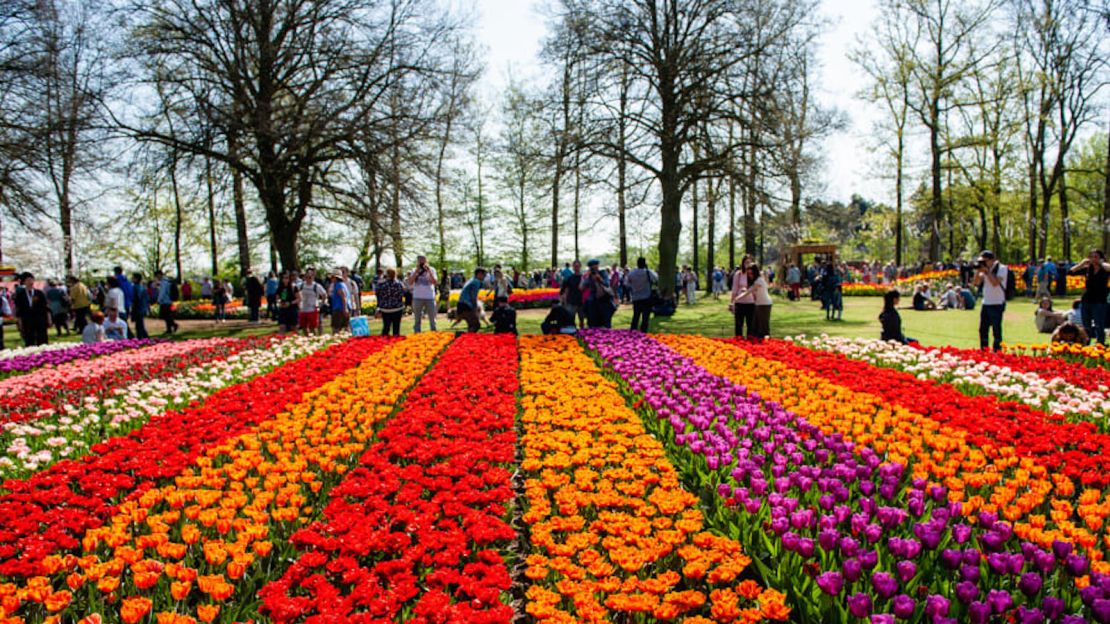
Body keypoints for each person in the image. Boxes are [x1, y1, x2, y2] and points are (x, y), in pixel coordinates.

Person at [1067, 249, 1110, 345]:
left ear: (1101, 258)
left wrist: (1101, 263)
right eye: (1092, 257)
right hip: (1086, 300)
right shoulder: (1087, 269)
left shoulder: (1104, 269)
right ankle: (1086, 342)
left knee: (1099, 324)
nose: (1093, 259)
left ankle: (1100, 343)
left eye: (1096, 257)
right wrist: (1081, 264)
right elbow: (1070, 272)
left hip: (1100, 301)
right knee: (1086, 324)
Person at [973, 250, 1008, 351]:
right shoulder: (984, 270)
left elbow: (995, 283)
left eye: (985, 261)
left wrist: (987, 272)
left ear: (992, 260)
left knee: (996, 329)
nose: (983, 263)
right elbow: (976, 283)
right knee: (983, 329)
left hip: (997, 302)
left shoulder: (1001, 268)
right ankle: (984, 349)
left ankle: (997, 350)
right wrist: (978, 271)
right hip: (986, 302)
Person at [731, 264, 772, 339]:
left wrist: (737, 298)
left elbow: (749, 291)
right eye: (748, 273)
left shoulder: (759, 280)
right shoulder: (755, 281)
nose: (750, 275)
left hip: (765, 304)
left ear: (755, 272)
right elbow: (750, 290)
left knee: (763, 325)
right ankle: (758, 341)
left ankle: (767, 341)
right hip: (758, 304)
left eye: (751, 273)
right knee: (756, 326)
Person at [15, 273, 50, 347]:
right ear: (24, 282)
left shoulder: (39, 293)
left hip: (40, 319)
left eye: (31, 280)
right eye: (28, 280)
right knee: (29, 340)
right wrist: (19, 322)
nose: (30, 282)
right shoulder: (20, 295)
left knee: (42, 340)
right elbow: (18, 310)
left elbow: (46, 307)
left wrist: (49, 318)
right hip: (27, 320)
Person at [406, 255, 438, 333]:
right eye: (420, 261)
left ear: (426, 261)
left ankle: (433, 331)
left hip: (429, 296)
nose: (422, 263)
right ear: (417, 262)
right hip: (417, 296)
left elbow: (435, 282)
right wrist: (417, 271)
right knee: (417, 317)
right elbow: (410, 282)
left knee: (432, 317)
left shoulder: (432, 270)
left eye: (423, 261)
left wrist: (429, 271)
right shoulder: (414, 270)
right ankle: (417, 332)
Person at [624, 257, 657, 333]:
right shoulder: (648, 272)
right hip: (647, 297)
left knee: (636, 315)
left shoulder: (632, 273)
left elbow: (626, 283)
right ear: (645, 263)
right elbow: (655, 279)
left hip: (636, 297)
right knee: (645, 316)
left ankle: (633, 330)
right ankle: (643, 331)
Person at [581, 259, 616, 328]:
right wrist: (587, 276)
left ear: (598, 266)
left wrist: (599, 279)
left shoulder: (603, 273)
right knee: (593, 321)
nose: (594, 269)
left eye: (595, 267)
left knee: (606, 321)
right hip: (593, 300)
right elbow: (582, 287)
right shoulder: (589, 276)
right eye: (592, 268)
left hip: (604, 299)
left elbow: (607, 284)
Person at [374, 268, 405, 336]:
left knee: (386, 327)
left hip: (385, 309)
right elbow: (403, 293)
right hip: (397, 308)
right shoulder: (399, 283)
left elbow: (377, 293)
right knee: (396, 328)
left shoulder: (381, 284)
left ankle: (384, 341)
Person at [730, 256, 755, 337]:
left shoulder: (753, 275)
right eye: (746, 262)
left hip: (750, 303)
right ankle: (739, 341)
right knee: (738, 325)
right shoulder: (738, 274)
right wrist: (732, 302)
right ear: (743, 263)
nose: (748, 264)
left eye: (749, 262)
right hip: (739, 302)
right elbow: (734, 289)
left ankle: (749, 342)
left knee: (750, 325)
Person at [297, 268, 327, 336]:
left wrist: (321, 304)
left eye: (310, 277)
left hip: (312, 309)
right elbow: (294, 292)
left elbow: (324, 294)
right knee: (303, 327)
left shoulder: (316, 286)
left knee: (312, 327)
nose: (308, 279)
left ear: (313, 277)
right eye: (306, 277)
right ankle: (307, 338)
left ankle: (314, 338)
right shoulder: (301, 285)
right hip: (303, 309)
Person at [456, 268, 486, 333]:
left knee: (471, 324)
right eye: (484, 275)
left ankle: (466, 339)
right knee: (476, 325)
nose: (484, 277)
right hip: (466, 305)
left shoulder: (471, 280)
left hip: (461, 304)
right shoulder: (476, 282)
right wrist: (474, 308)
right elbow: (473, 296)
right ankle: (461, 337)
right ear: (479, 274)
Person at [559, 260, 585, 329]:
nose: (576, 268)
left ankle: (582, 333)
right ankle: (573, 332)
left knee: (582, 319)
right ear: (573, 267)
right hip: (571, 301)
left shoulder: (583, 278)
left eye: (578, 266)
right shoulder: (569, 278)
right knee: (571, 319)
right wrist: (564, 301)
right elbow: (566, 290)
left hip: (581, 302)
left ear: (580, 267)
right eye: (575, 266)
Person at [154, 271, 179, 335]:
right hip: (168, 301)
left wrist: (158, 300)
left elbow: (162, 292)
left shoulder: (164, 282)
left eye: (157, 276)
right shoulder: (167, 281)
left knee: (166, 316)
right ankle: (169, 329)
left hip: (165, 301)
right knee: (167, 316)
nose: (157, 277)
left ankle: (173, 325)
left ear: (160, 275)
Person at [130, 273, 150, 339]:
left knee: (139, 325)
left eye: (133, 278)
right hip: (143, 307)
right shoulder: (143, 287)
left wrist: (133, 308)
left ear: (136, 279)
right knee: (140, 324)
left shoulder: (135, 287)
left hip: (138, 308)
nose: (132, 279)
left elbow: (135, 299)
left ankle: (143, 337)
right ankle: (143, 337)